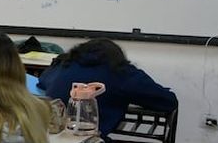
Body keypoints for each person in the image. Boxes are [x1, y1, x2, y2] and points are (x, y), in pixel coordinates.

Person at [37, 38, 178, 137]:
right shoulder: (120, 72)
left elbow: (42, 81)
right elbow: (168, 101)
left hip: (48, 142)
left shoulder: (63, 66)